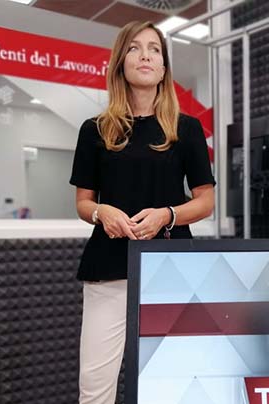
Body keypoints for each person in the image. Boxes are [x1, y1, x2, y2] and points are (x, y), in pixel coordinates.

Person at [69, 21, 215, 404]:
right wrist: (101, 212)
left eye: (154, 49)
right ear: (121, 62)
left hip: (171, 267)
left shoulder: (187, 129)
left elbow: (205, 201)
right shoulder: (94, 130)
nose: (145, 55)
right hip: (109, 267)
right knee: (95, 384)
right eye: (134, 48)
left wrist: (167, 214)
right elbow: (83, 203)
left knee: (172, 381)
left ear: (164, 68)